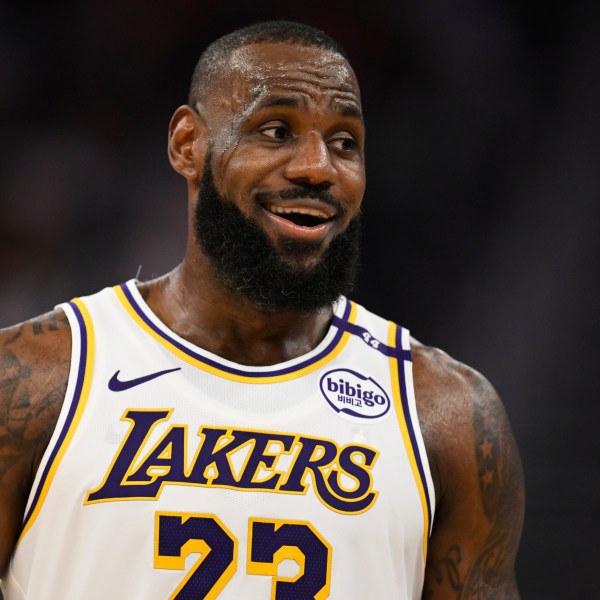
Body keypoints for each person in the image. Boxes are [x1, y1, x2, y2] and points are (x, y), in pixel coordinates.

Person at [0, 20, 525, 600]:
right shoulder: (34, 380)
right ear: (187, 145)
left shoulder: (447, 418)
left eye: (345, 142)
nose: (318, 167)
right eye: (276, 131)